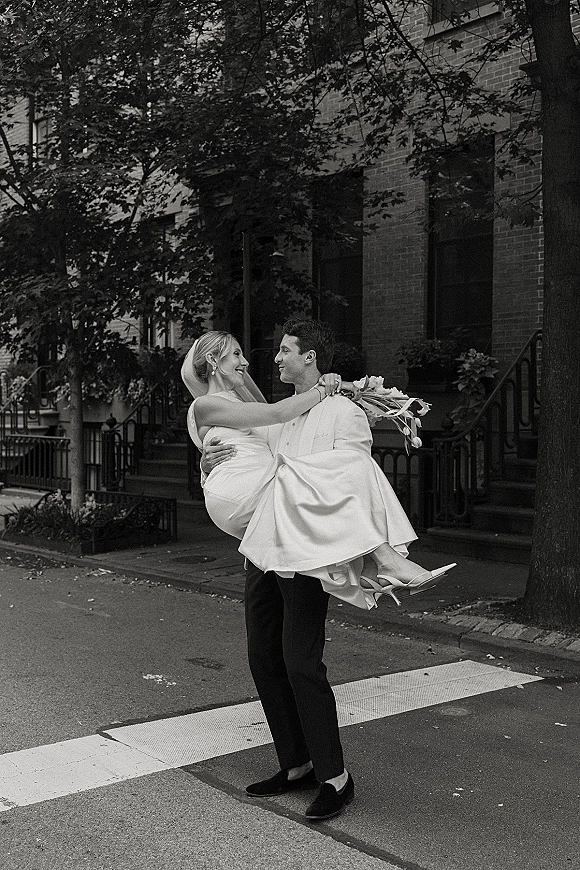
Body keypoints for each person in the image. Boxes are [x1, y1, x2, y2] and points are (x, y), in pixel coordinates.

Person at [182, 320, 455, 821]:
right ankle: (296, 764)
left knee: (300, 662)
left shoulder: (339, 409)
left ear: (310, 358)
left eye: (285, 351)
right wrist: (206, 462)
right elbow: (234, 443)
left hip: (308, 547)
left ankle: (336, 777)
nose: (274, 358)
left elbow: (351, 470)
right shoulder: (273, 413)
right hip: (261, 542)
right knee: (263, 657)